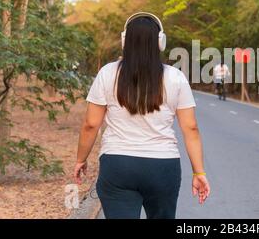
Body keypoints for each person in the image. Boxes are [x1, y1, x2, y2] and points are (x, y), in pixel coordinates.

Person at [74, 12, 210, 219]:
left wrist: (80, 159)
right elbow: (190, 128)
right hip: (162, 166)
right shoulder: (176, 77)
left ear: (124, 41)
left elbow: (91, 124)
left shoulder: (107, 73)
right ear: (160, 42)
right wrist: (199, 172)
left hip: (118, 165)